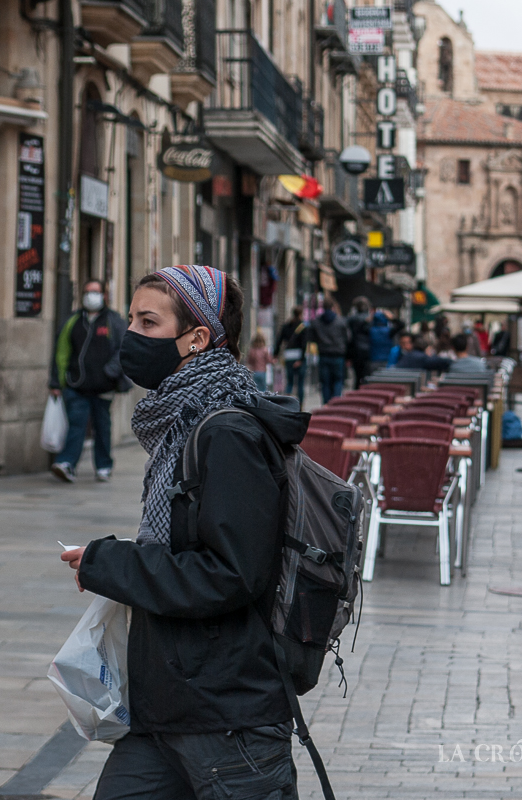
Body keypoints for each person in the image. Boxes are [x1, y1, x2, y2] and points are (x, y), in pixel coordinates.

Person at [60, 264, 305, 800]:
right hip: (168, 703)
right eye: (130, 319)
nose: (131, 336)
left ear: (197, 338)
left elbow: (230, 575)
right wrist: (116, 563)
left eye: (148, 322)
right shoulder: (183, 423)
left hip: (227, 718)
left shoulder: (228, 432)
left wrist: (113, 565)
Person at [48, 280, 128, 483]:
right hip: (77, 386)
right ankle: (67, 463)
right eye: (87, 292)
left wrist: (110, 372)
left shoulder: (114, 321)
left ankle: (103, 466)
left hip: (104, 387)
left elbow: (124, 349)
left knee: (102, 427)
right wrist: (56, 383)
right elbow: (61, 353)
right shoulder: (73, 321)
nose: (91, 296)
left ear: (104, 295)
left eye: (95, 292)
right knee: (77, 424)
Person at [309, 298, 349, 403]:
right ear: (333, 307)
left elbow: (311, 337)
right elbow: (348, 338)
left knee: (325, 382)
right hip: (338, 355)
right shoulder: (341, 321)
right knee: (338, 380)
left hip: (323, 355)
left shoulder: (316, 322)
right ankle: (335, 403)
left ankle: (326, 404)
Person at [274, 306, 308, 407]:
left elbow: (279, 341)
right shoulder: (303, 327)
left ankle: (287, 404)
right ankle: (300, 405)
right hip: (299, 357)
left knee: (290, 382)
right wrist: (301, 359)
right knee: (300, 384)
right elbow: (304, 345)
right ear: (301, 314)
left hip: (289, 356)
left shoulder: (286, 326)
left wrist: (275, 354)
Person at [345, 297, 372, 389]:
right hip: (368, 350)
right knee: (366, 375)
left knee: (357, 375)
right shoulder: (370, 320)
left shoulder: (351, 320)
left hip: (355, 350)